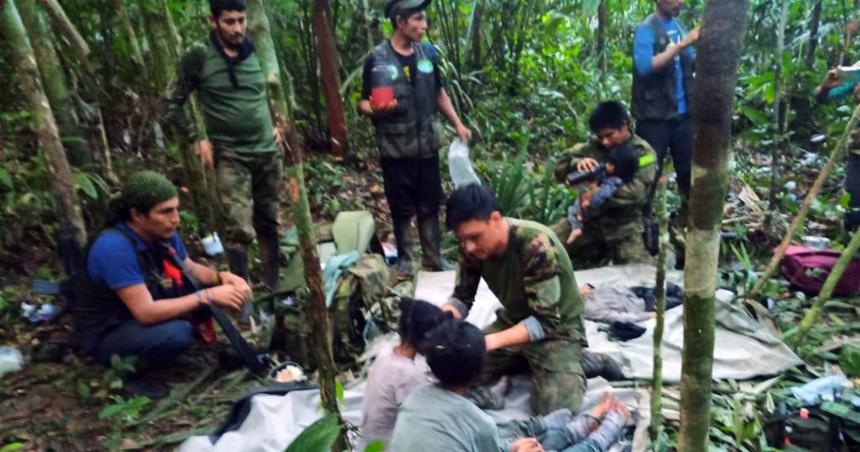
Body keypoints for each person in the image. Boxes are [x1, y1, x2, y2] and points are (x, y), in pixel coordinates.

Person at [73, 171, 251, 396]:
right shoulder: (114, 247)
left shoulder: (162, 232)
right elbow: (145, 312)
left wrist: (221, 278)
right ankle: (131, 372)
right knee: (177, 332)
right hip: (109, 331)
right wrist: (208, 296)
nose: (175, 218)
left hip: (143, 308)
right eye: (166, 212)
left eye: (176, 209)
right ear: (137, 215)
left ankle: (167, 350)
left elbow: (188, 267)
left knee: (200, 292)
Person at [164, 0, 283, 322]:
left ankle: (275, 288)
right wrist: (196, 139)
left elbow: (277, 89)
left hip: (266, 152)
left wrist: (279, 121)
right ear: (213, 20)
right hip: (229, 154)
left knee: (270, 221)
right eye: (229, 21)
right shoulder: (199, 55)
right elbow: (171, 101)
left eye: (241, 20)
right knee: (237, 230)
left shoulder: (258, 46)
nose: (237, 28)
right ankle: (242, 298)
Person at [442, 184, 589, 414]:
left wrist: (489, 342)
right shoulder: (471, 248)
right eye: (462, 240)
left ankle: (584, 362)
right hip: (514, 320)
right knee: (453, 372)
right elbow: (463, 296)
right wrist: (445, 315)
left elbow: (546, 322)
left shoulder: (535, 245)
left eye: (474, 237)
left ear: (495, 218)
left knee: (556, 411)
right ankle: (523, 360)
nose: (469, 247)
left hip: (558, 330)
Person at [390, 320, 630, 452]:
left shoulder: (417, 397)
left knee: (523, 443)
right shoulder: (477, 424)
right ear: (477, 371)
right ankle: (597, 439)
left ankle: (567, 429)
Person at [359, 0, 472, 275]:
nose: (424, 26)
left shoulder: (428, 54)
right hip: (396, 148)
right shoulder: (377, 58)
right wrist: (374, 109)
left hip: (427, 145)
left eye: (424, 20)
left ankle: (433, 257)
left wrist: (457, 123)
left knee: (430, 203)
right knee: (401, 206)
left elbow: (438, 93)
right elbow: (362, 102)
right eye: (418, 20)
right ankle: (405, 259)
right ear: (400, 22)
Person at [553, 102, 658, 268]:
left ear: (624, 125)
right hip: (587, 222)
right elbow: (558, 170)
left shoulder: (642, 152)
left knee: (641, 277)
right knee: (545, 245)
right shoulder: (593, 146)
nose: (605, 142)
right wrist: (577, 163)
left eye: (610, 135)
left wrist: (594, 195)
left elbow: (635, 193)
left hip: (624, 226)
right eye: (600, 137)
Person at [356, 298, 451, 450]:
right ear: (426, 338)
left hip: (368, 442)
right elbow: (425, 421)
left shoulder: (385, 353)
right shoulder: (408, 374)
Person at [631, 0, 698, 213]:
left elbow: (693, 59)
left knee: (688, 173)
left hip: (683, 116)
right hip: (654, 119)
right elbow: (644, 67)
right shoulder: (645, 29)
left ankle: (688, 220)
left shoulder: (679, 27)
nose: (681, 2)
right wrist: (679, 47)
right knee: (648, 174)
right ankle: (643, 227)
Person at [815, 67, 860, 235]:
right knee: (854, 209)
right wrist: (827, 87)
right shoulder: (858, 72)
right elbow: (822, 98)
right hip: (858, 153)